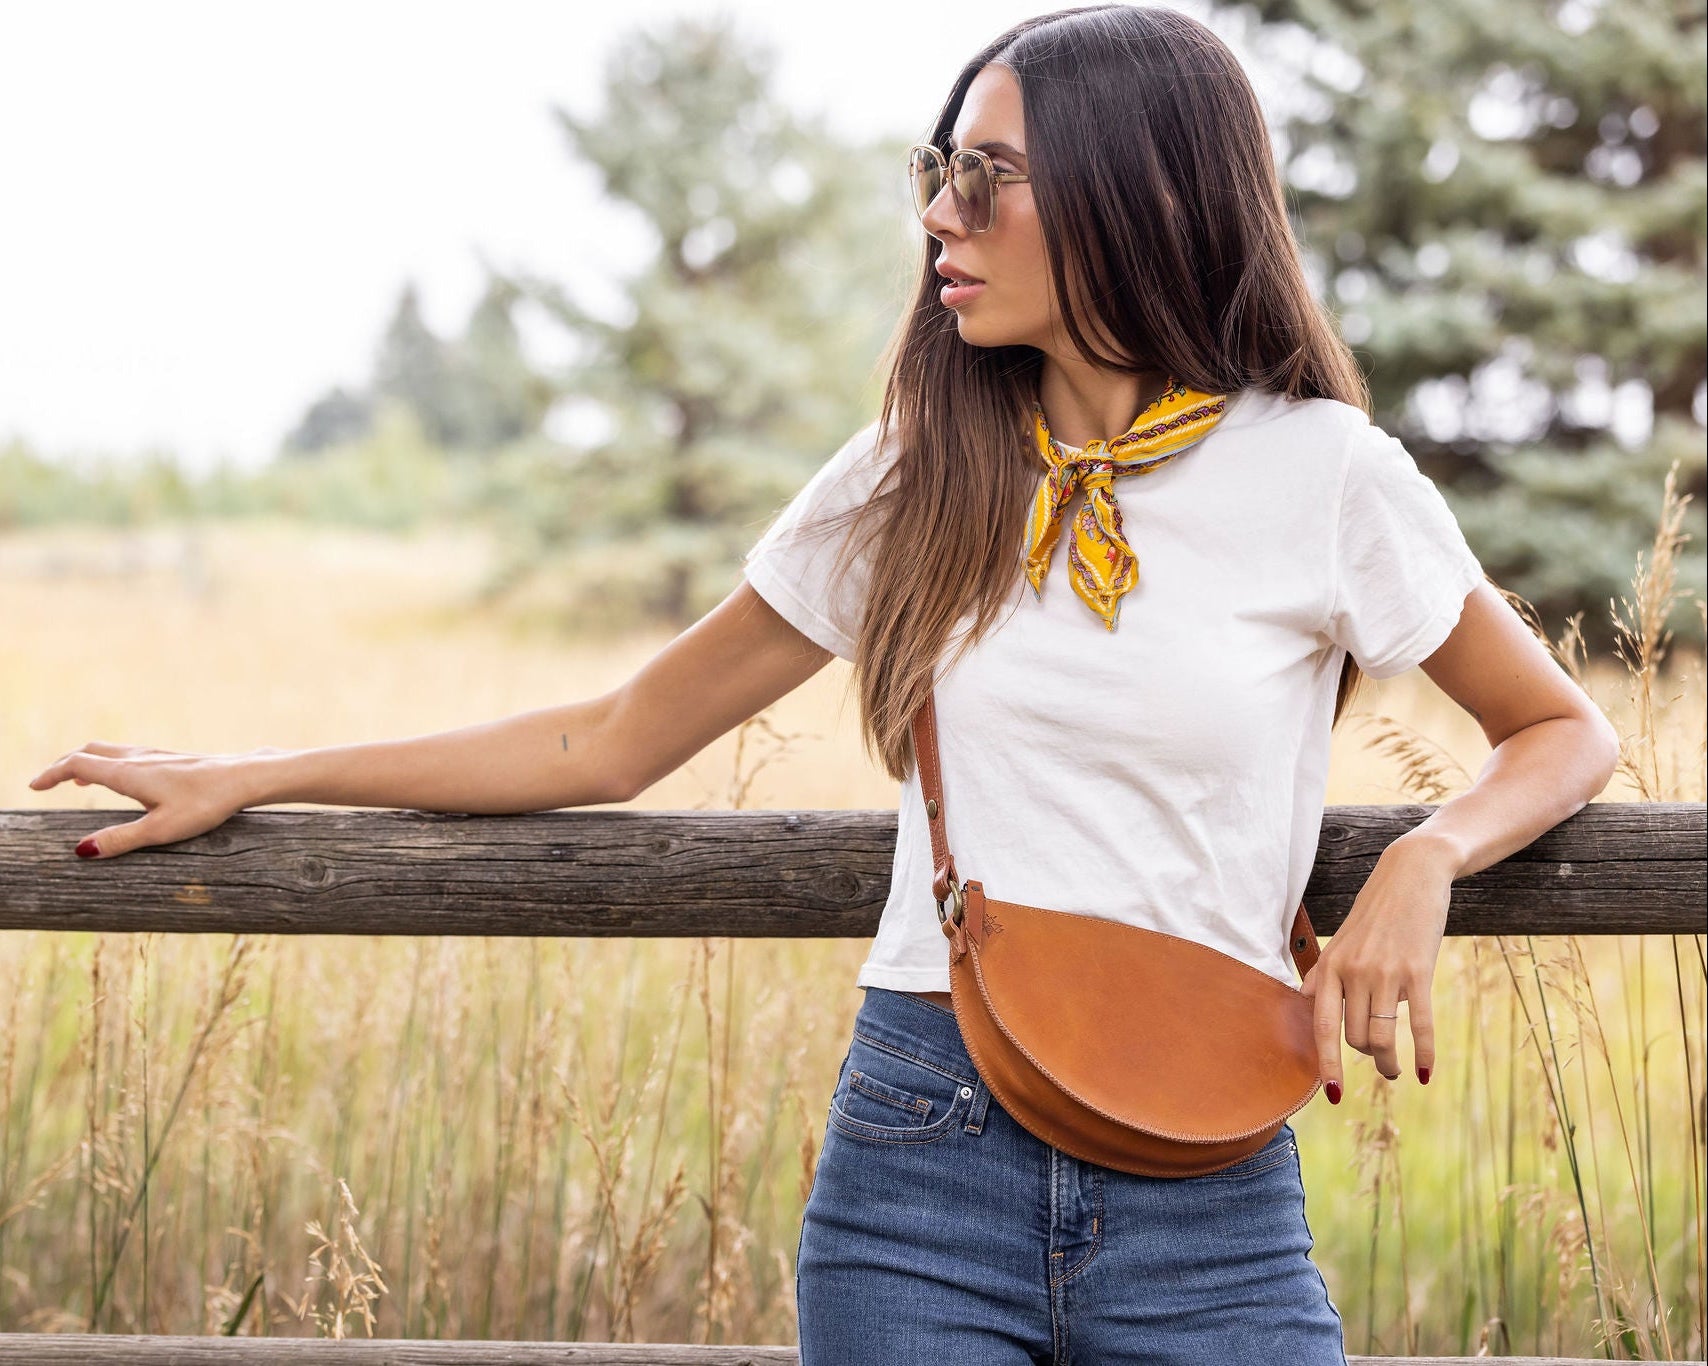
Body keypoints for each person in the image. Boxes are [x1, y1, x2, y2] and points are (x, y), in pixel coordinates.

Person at [28, 5, 1621, 1361]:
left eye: (987, 182)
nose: (940, 216)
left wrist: (1425, 854)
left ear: (1137, 194)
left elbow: (1561, 727)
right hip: (922, 1158)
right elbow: (611, 735)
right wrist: (258, 767)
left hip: (1212, 1174)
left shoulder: (1324, 473)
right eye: (938, 176)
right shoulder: (909, 475)